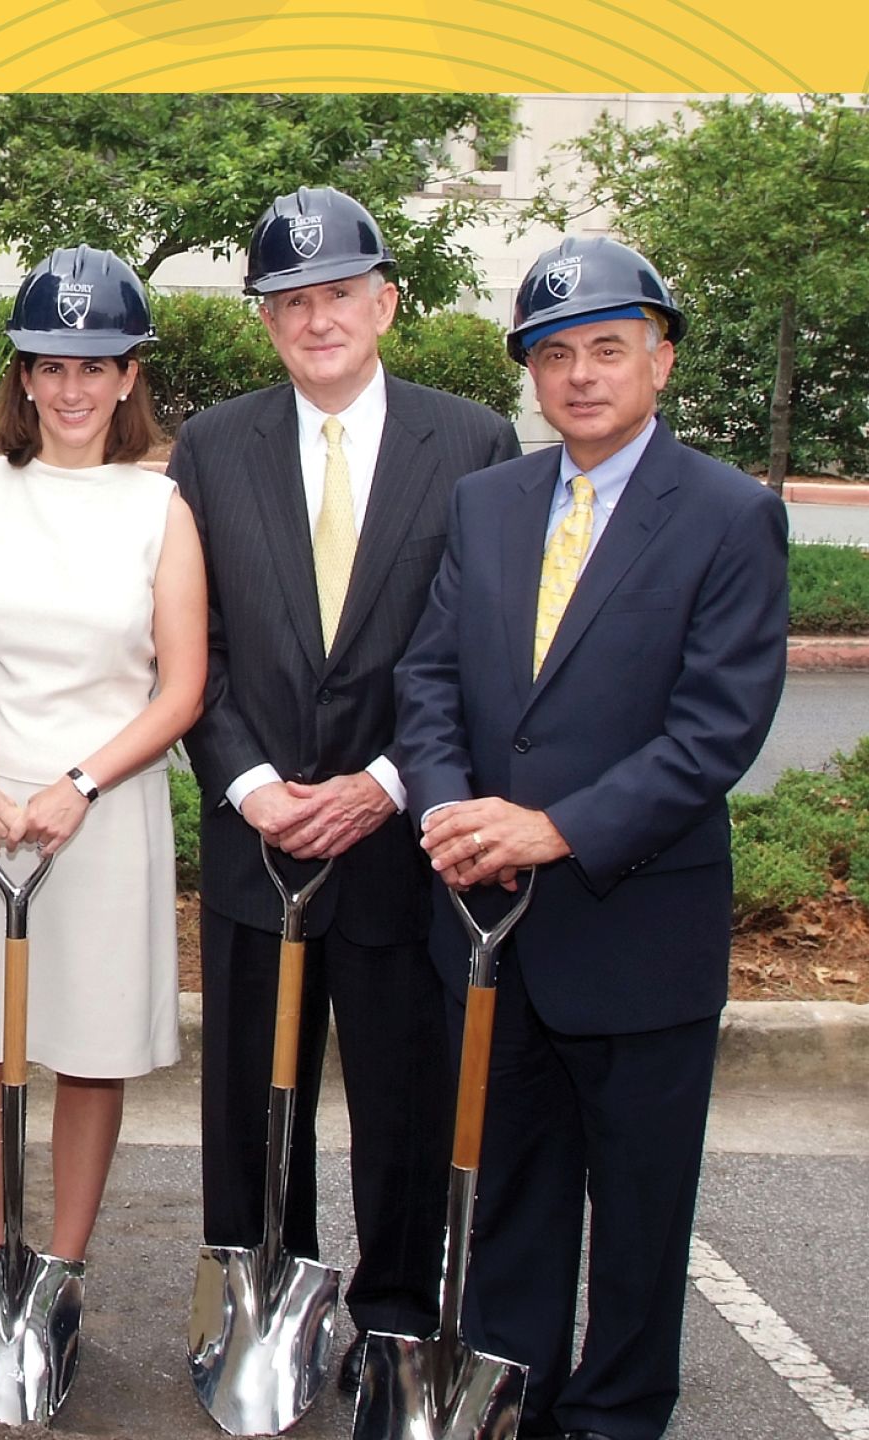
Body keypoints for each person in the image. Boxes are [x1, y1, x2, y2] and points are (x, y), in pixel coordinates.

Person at [395, 235, 787, 1440]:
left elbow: (713, 731)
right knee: (510, 1194)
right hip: (488, 926)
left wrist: (552, 829)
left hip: (635, 929)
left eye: (606, 349)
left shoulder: (729, 516)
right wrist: (450, 812)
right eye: (553, 354)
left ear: (659, 361)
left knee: (638, 1213)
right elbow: (427, 679)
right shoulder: (488, 502)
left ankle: (614, 1416)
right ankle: (509, 1397)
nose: (578, 376)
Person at [171, 187, 521, 1391]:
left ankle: (387, 1316)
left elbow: (485, 645)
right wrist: (253, 784)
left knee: (402, 1100)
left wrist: (384, 783)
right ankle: (269, 1303)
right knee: (249, 1108)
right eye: (289, 302)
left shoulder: (469, 441)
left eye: (336, 296)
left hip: (395, 837)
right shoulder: (211, 447)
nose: (315, 319)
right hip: (257, 837)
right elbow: (188, 645)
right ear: (265, 321)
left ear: (384, 302)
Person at [0, 246, 205, 1272]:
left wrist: (80, 785)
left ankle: (61, 1277)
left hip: (102, 812)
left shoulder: (161, 508)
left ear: (128, 377)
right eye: (51, 364)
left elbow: (181, 689)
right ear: (22, 376)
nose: (72, 387)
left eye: (96, 365)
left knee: (89, 1058)